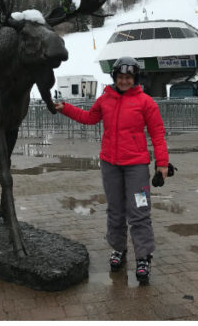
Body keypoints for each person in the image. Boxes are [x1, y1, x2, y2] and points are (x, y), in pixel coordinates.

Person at [55, 56, 168, 285]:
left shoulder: (146, 102)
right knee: (115, 211)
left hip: (136, 166)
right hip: (110, 165)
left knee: (139, 212)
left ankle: (143, 257)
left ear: (135, 79)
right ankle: (118, 249)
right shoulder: (105, 99)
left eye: (128, 77)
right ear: (114, 78)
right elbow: (89, 118)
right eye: (120, 77)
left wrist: (162, 164)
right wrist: (65, 108)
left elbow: (157, 133)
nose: (124, 81)